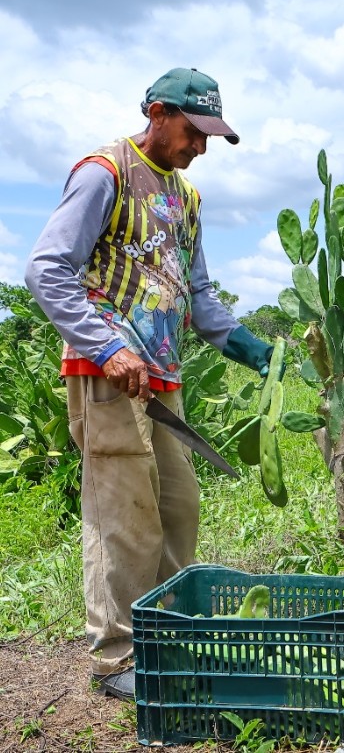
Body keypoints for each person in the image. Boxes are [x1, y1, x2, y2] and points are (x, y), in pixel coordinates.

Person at [24, 68, 276, 701]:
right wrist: (107, 347)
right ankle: (117, 656)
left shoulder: (186, 199)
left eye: (209, 137)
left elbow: (198, 297)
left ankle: (169, 638)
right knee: (125, 519)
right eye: (194, 132)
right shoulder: (104, 172)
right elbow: (47, 269)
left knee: (177, 509)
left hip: (162, 376)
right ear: (158, 113)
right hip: (108, 375)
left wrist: (257, 351)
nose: (201, 148)